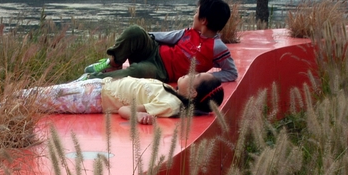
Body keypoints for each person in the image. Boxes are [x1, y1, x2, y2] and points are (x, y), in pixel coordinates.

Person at [85, 0, 236, 84]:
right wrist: (143, 36)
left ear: (204, 20)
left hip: (162, 71)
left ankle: (95, 79)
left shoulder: (217, 47)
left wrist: (201, 77)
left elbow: (231, 73)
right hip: (155, 51)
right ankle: (113, 63)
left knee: (138, 71)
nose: (194, 15)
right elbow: (167, 36)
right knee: (135, 31)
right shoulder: (190, 32)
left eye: (196, 13)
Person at [21, 72, 225, 125]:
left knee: (34, 98)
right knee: (37, 93)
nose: (192, 72)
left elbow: (125, 110)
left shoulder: (170, 104)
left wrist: (139, 117)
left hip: (94, 97)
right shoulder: (171, 91)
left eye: (196, 76)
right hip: (100, 86)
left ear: (192, 93)